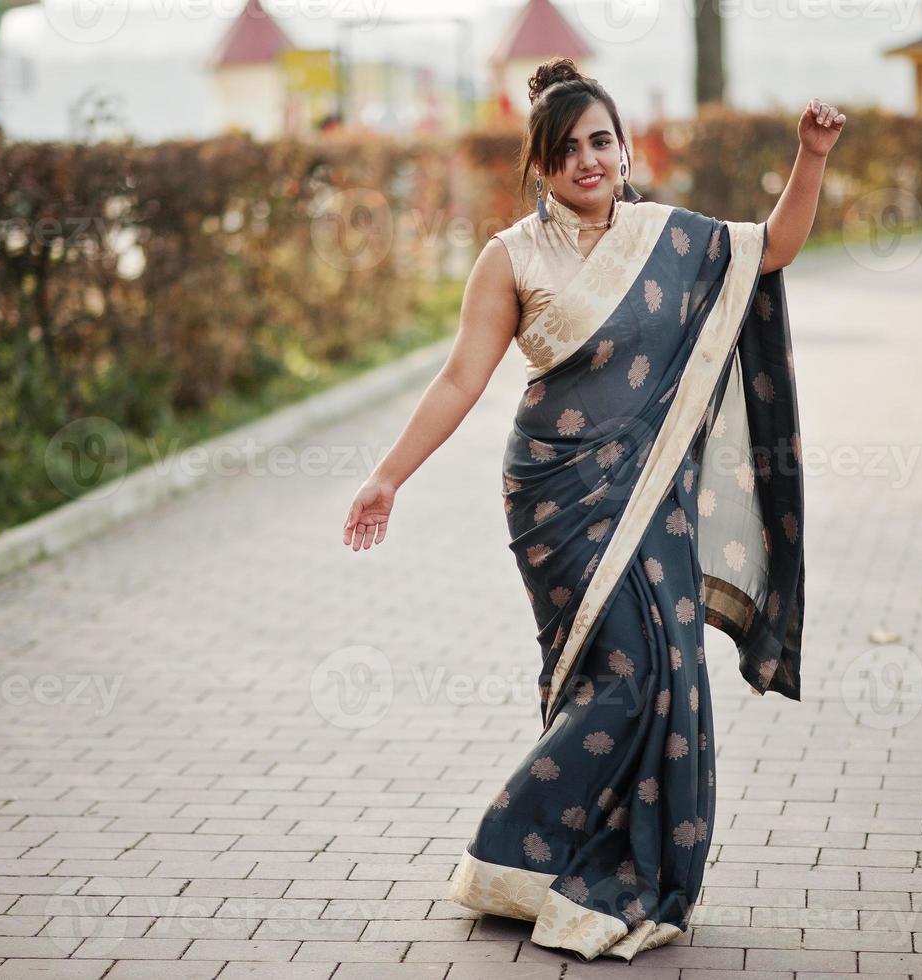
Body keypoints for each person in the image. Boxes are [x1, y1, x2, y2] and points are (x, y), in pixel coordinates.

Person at [341, 57, 842, 961]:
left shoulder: (668, 236)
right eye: (566, 148)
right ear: (538, 165)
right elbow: (461, 377)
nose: (587, 160)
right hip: (554, 496)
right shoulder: (511, 256)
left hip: (650, 495)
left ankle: (572, 860)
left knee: (662, 668)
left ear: (623, 149)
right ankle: (516, 850)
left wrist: (808, 157)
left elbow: (772, 248)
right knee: (616, 673)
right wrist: (387, 475)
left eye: (600, 142)